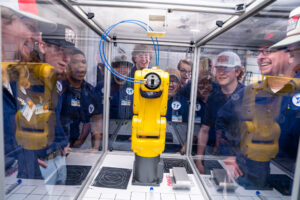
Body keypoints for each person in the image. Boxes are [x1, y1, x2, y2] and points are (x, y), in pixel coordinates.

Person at [216, 8, 300, 187]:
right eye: (258, 53)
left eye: (268, 51)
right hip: (249, 176)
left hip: (290, 179)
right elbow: (223, 122)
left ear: (290, 54)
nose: (261, 57)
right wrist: (228, 155)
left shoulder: (295, 91)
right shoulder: (250, 92)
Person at [196, 51, 244, 174]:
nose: (221, 73)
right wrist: (199, 160)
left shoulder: (247, 96)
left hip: (239, 159)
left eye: (226, 69)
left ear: (237, 72)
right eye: (219, 69)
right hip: (213, 154)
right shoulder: (213, 97)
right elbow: (204, 129)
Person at [60, 49, 103, 149]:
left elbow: (97, 120)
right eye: (75, 62)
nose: (81, 66)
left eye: (83, 62)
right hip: (59, 148)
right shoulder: (60, 89)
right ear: (67, 66)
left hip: (81, 149)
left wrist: (95, 148)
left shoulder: (92, 92)